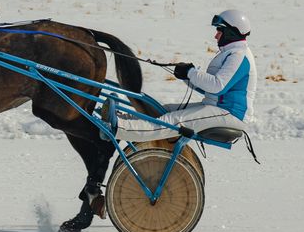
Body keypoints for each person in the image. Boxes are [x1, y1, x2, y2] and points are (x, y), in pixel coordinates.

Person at [106, 10, 256, 142]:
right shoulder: (230, 53)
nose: (216, 36)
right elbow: (210, 89)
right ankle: (123, 119)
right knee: (164, 110)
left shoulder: (239, 56)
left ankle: (118, 127)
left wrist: (191, 73)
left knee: (174, 121)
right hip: (216, 107)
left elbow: (217, 87)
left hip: (230, 114)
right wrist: (187, 77)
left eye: (219, 31)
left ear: (231, 32)